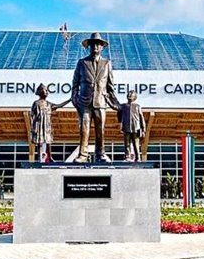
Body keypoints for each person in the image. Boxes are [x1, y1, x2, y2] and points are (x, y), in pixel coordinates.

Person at [71, 32, 119, 162]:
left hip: (100, 101)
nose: (95, 46)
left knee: (100, 130)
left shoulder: (107, 63)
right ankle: (83, 155)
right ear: (89, 46)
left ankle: (100, 154)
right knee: (84, 128)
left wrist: (116, 104)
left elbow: (110, 87)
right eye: (93, 44)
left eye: (98, 44)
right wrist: (74, 98)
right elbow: (75, 83)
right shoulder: (82, 62)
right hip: (84, 101)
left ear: (102, 47)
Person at [29, 83, 69, 163]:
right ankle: (40, 158)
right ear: (40, 92)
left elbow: (59, 105)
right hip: (39, 125)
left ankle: (50, 157)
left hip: (46, 125)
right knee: (40, 141)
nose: (47, 92)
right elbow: (32, 115)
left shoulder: (48, 104)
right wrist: (33, 127)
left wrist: (69, 100)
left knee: (48, 141)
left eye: (47, 90)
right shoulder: (36, 103)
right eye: (45, 90)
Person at [118, 90, 145, 162]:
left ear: (134, 97)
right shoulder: (122, 106)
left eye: (131, 94)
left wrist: (143, 129)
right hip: (126, 127)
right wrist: (120, 124)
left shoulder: (137, 106)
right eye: (129, 94)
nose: (129, 95)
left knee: (136, 144)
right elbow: (119, 116)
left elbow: (141, 118)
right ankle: (127, 157)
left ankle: (137, 157)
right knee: (127, 144)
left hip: (135, 128)